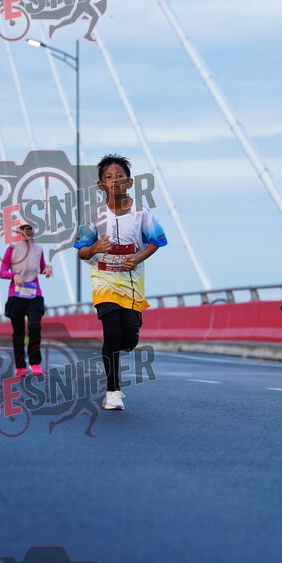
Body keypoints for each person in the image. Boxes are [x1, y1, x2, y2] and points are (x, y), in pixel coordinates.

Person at [75, 154, 167, 410]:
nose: (114, 181)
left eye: (119, 176)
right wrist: (93, 248)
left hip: (131, 285)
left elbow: (157, 241)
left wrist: (137, 258)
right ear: (101, 185)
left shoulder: (141, 213)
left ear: (129, 182)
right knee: (112, 331)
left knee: (128, 340)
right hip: (103, 281)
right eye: (108, 177)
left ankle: (116, 345)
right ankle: (112, 390)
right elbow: (81, 252)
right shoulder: (94, 216)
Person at [0, 222, 52, 377]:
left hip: (34, 295)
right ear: (19, 231)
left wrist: (48, 269)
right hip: (16, 295)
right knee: (19, 332)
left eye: (30, 229)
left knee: (34, 327)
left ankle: (34, 363)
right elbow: (2, 272)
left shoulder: (38, 250)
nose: (27, 231)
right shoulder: (12, 249)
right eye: (24, 228)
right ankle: (20, 366)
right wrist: (13, 275)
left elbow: (41, 268)